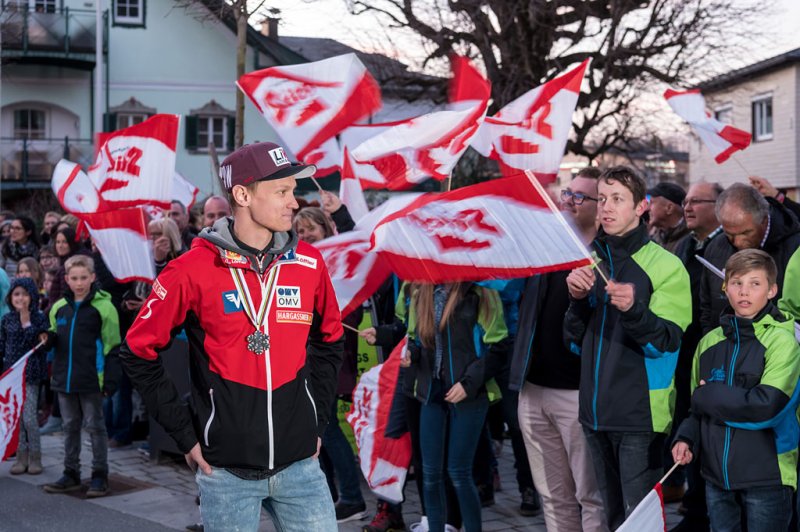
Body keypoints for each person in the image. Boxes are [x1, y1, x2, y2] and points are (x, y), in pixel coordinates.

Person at [120, 141, 344, 531]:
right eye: (282, 191)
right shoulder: (189, 269)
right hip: (226, 473)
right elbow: (138, 351)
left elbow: (330, 342)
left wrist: (317, 421)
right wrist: (185, 435)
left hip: (301, 467)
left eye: (293, 191)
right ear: (242, 194)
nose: (295, 202)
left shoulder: (309, 263)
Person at [564, 166, 691, 529]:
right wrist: (575, 300)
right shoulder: (592, 258)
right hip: (595, 411)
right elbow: (573, 342)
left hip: (640, 417)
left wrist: (634, 310)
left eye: (617, 199)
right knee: (614, 516)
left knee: (640, 521)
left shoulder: (667, 265)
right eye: (602, 198)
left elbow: (668, 341)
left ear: (641, 207)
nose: (606, 207)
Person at [672, 249, 800, 532]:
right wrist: (687, 437)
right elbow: (697, 410)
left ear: (772, 290)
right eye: (736, 283)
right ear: (724, 287)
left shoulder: (782, 342)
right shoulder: (708, 343)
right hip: (717, 477)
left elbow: (766, 406)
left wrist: (709, 395)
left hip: (767, 476)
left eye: (755, 283)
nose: (744, 292)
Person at [511, 167, 607, 531]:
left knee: (590, 495)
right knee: (553, 495)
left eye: (580, 196)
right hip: (533, 389)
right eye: (568, 192)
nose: (569, 200)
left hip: (579, 393)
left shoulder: (609, 257)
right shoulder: (546, 247)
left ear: (601, 207)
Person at [404, 282, 508, 532]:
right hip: (431, 391)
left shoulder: (481, 293)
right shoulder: (420, 292)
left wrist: (468, 383)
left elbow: (500, 346)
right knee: (429, 476)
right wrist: (410, 354)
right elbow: (415, 340)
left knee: (459, 473)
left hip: (469, 394)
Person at [42, 255, 121, 497]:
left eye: (83, 278)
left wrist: (110, 379)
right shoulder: (58, 308)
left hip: (91, 379)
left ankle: (99, 475)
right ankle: (71, 473)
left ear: (93, 277)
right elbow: (53, 337)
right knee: (70, 426)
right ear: (66, 279)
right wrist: (48, 340)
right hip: (64, 378)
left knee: (95, 427)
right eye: (74, 278)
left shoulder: (104, 308)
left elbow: (113, 346)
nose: (79, 283)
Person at [670, 182, 723, 531]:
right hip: (683, 353)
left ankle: (705, 510)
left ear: (718, 206)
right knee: (688, 427)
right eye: (685, 201)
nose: (687, 207)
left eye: (696, 201)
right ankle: (694, 505)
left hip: (713, 351)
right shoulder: (682, 246)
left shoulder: (726, 245)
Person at [699, 183, 800, 335]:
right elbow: (707, 306)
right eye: (730, 234)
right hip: (725, 348)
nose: (738, 242)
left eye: (746, 233)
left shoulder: (794, 248)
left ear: (764, 220)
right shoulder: (715, 247)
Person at [1, 277, 49, 475]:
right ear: (10, 297)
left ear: (33, 296)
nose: (20, 298)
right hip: (12, 374)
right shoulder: (6, 319)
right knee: (18, 418)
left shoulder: (38, 318)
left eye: (25, 294)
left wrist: (26, 321)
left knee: (29, 417)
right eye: (16, 294)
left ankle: (35, 456)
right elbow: (3, 345)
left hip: (30, 374)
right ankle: (21, 457)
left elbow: (37, 346)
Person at [647, 182, 689, 253]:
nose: (648, 208)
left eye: (652, 202)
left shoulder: (691, 242)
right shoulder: (653, 239)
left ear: (669, 208)